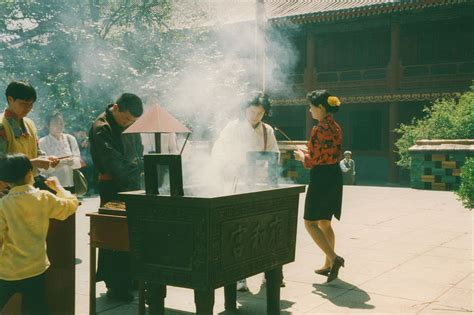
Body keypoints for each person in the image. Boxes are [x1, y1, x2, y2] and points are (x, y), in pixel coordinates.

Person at [211, 91, 280, 292]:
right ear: (245, 110)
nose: (255, 116)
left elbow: (274, 155)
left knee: (263, 229)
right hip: (237, 185)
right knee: (239, 231)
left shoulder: (268, 131)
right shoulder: (232, 128)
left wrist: (265, 171)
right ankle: (239, 276)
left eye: (260, 113)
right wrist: (228, 165)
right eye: (252, 111)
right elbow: (219, 150)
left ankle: (269, 271)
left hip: (260, 185)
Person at [0, 154, 78, 314]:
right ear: (30, 173)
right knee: (36, 309)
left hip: (8, 270)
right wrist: (59, 187)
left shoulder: (3, 204)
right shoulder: (43, 197)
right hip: (36, 268)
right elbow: (70, 205)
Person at [89, 93, 144, 302]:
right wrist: (136, 170)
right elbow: (112, 161)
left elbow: (138, 149)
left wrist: (139, 169)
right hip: (112, 185)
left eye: (132, 122)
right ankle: (115, 284)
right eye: (126, 119)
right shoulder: (101, 127)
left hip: (131, 182)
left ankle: (130, 278)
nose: (129, 124)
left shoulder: (129, 122)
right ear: (117, 108)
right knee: (114, 234)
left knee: (130, 233)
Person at [294, 89, 345, 283]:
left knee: (310, 223)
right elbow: (328, 153)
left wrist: (301, 156)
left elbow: (312, 160)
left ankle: (334, 258)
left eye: (311, 107)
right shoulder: (336, 127)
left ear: (321, 107)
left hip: (321, 177)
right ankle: (328, 264)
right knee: (325, 221)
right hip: (334, 176)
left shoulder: (319, 129)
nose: (309, 110)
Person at [0, 81, 59, 194]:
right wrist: (32, 163)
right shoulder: (2, 126)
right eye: (23, 104)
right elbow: (2, 163)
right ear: (10, 99)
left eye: (30, 104)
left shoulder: (29, 124)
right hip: (7, 189)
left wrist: (45, 158)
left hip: (29, 184)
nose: (27, 109)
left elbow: (35, 151)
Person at [39, 112, 82, 192]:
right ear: (48, 125)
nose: (59, 126)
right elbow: (42, 169)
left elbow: (78, 162)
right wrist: (57, 164)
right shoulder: (42, 142)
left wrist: (72, 162)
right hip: (52, 187)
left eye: (61, 123)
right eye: (55, 123)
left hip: (70, 184)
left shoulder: (70, 139)